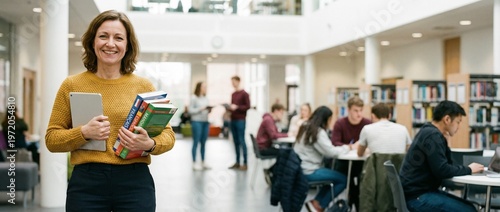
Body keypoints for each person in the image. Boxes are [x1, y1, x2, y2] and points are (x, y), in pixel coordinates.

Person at [45, 10, 175, 211]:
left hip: (135, 181)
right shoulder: (72, 85)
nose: (110, 44)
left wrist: (149, 144)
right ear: (92, 41)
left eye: (119, 38)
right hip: (87, 182)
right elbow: (52, 139)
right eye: (103, 36)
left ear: (127, 45)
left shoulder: (144, 86)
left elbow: (168, 136)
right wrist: (83, 133)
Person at [399, 100, 483, 212]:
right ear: (447, 119)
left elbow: (447, 164)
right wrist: (469, 169)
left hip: (416, 193)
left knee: (470, 207)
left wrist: (445, 142)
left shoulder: (428, 131)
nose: (459, 127)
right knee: (469, 210)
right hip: (417, 197)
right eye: (458, 122)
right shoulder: (433, 135)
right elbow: (442, 170)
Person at [294, 106, 354, 212]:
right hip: (309, 170)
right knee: (343, 180)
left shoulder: (304, 126)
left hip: (299, 168)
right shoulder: (318, 132)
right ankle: (320, 206)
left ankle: (316, 203)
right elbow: (331, 152)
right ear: (326, 119)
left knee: (333, 178)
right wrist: (348, 147)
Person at [330, 96, 371, 211]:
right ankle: (352, 202)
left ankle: (353, 202)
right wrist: (351, 147)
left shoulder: (367, 123)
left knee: (363, 181)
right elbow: (334, 143)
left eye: (361, 111)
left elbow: (373, 142)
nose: (359, 114)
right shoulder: (340, 123)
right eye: (355, 111)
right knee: (350, 182)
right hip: (344, 161)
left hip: (362, 161)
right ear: (348, 110)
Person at [227, 76, 251, 171]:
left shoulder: (244, 94)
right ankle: (237, 162)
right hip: (233, 119)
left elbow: (247, 106)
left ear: (238, 81)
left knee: (242, 141)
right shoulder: (233, 94)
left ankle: (245, 163)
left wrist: (237, 107)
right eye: (231, 82)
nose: (232, 84)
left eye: (234, 82)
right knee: (235, 141)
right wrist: (229, 108)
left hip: (241, 120)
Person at [189, 81, 211, 170]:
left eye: (206, 87)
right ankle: (194, 163)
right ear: (199, 87)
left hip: (205, 122)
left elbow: (206, 110)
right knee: (196, 142)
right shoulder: (194, 98)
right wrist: (200, 109)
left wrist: (209, 110)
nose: (205, 88)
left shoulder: (206, 98)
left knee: (203, 143)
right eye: (203, 87)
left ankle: (203, 162)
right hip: (196, 122)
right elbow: (190, 111)